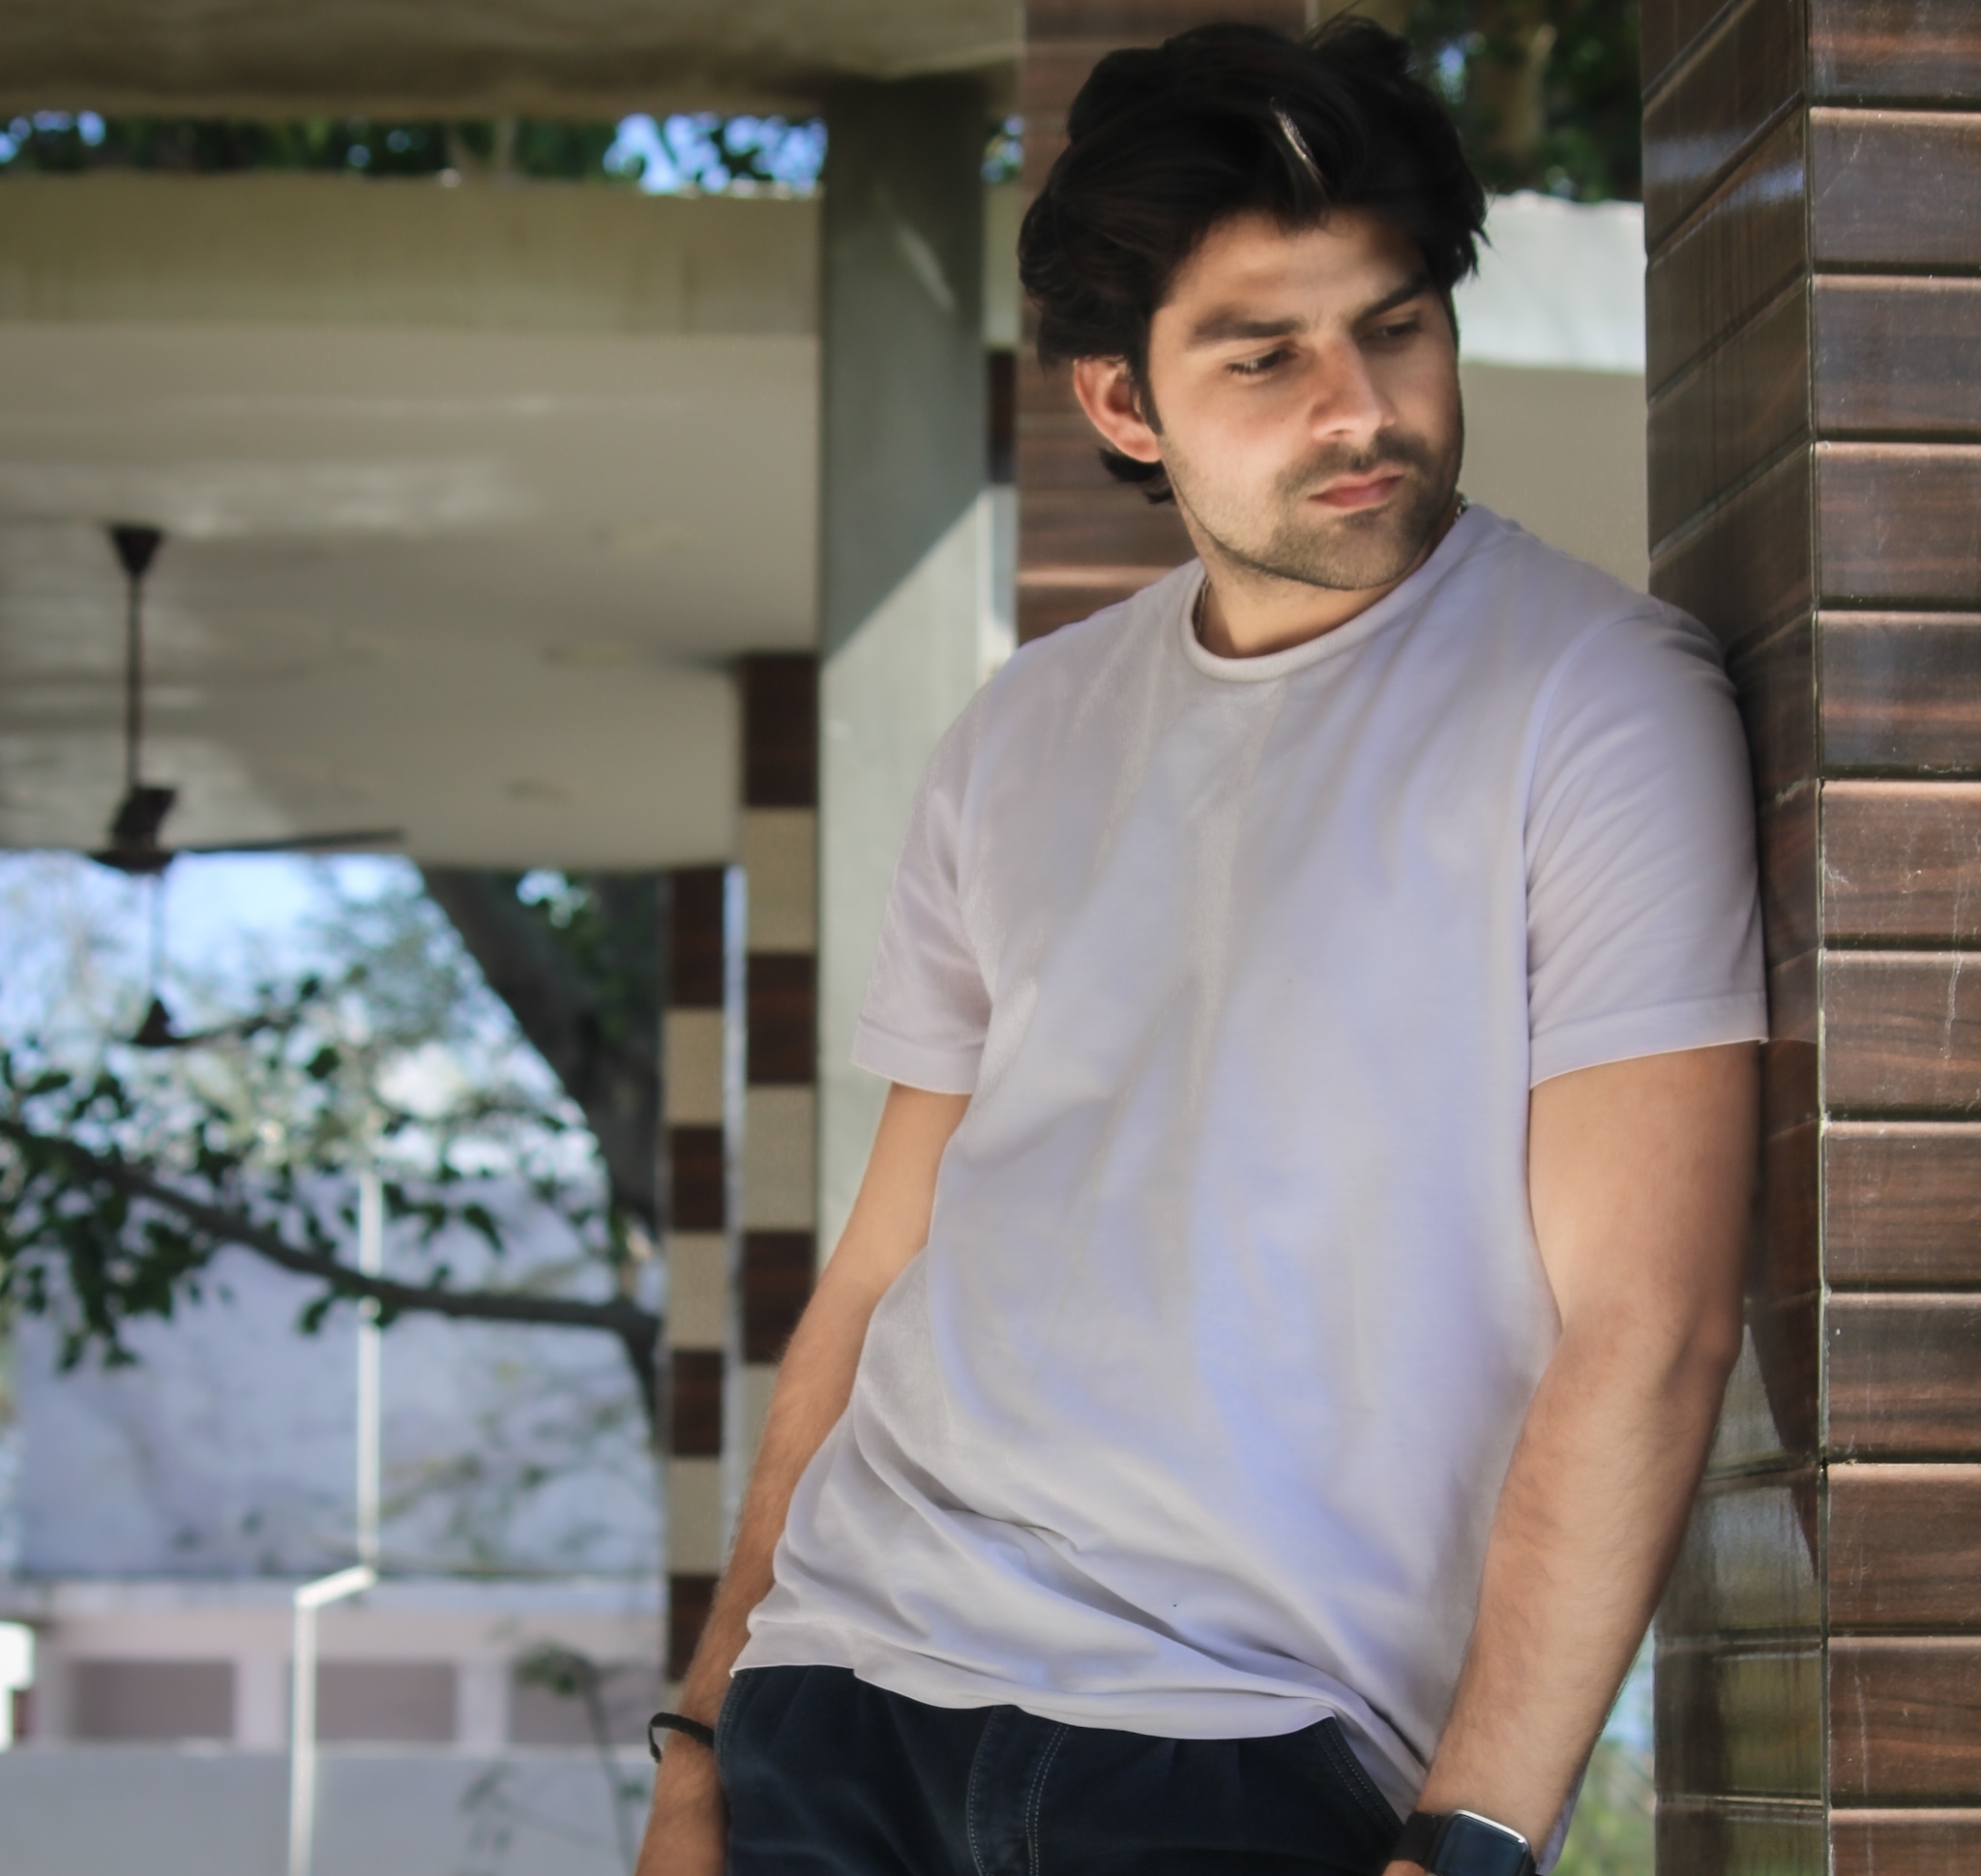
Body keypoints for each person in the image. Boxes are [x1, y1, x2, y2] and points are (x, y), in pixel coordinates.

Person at [639, 20, 1763, 1876]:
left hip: (1238, 1745)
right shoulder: (1022, 731)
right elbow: (881, 1271)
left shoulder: (1594, 700)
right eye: (1266, 357)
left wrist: (1476, 1837)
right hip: (839, 1702)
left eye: (1396, 326)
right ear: (1122, 404)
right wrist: (702, 1732)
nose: (1361, 408)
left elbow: (1651, 1322)